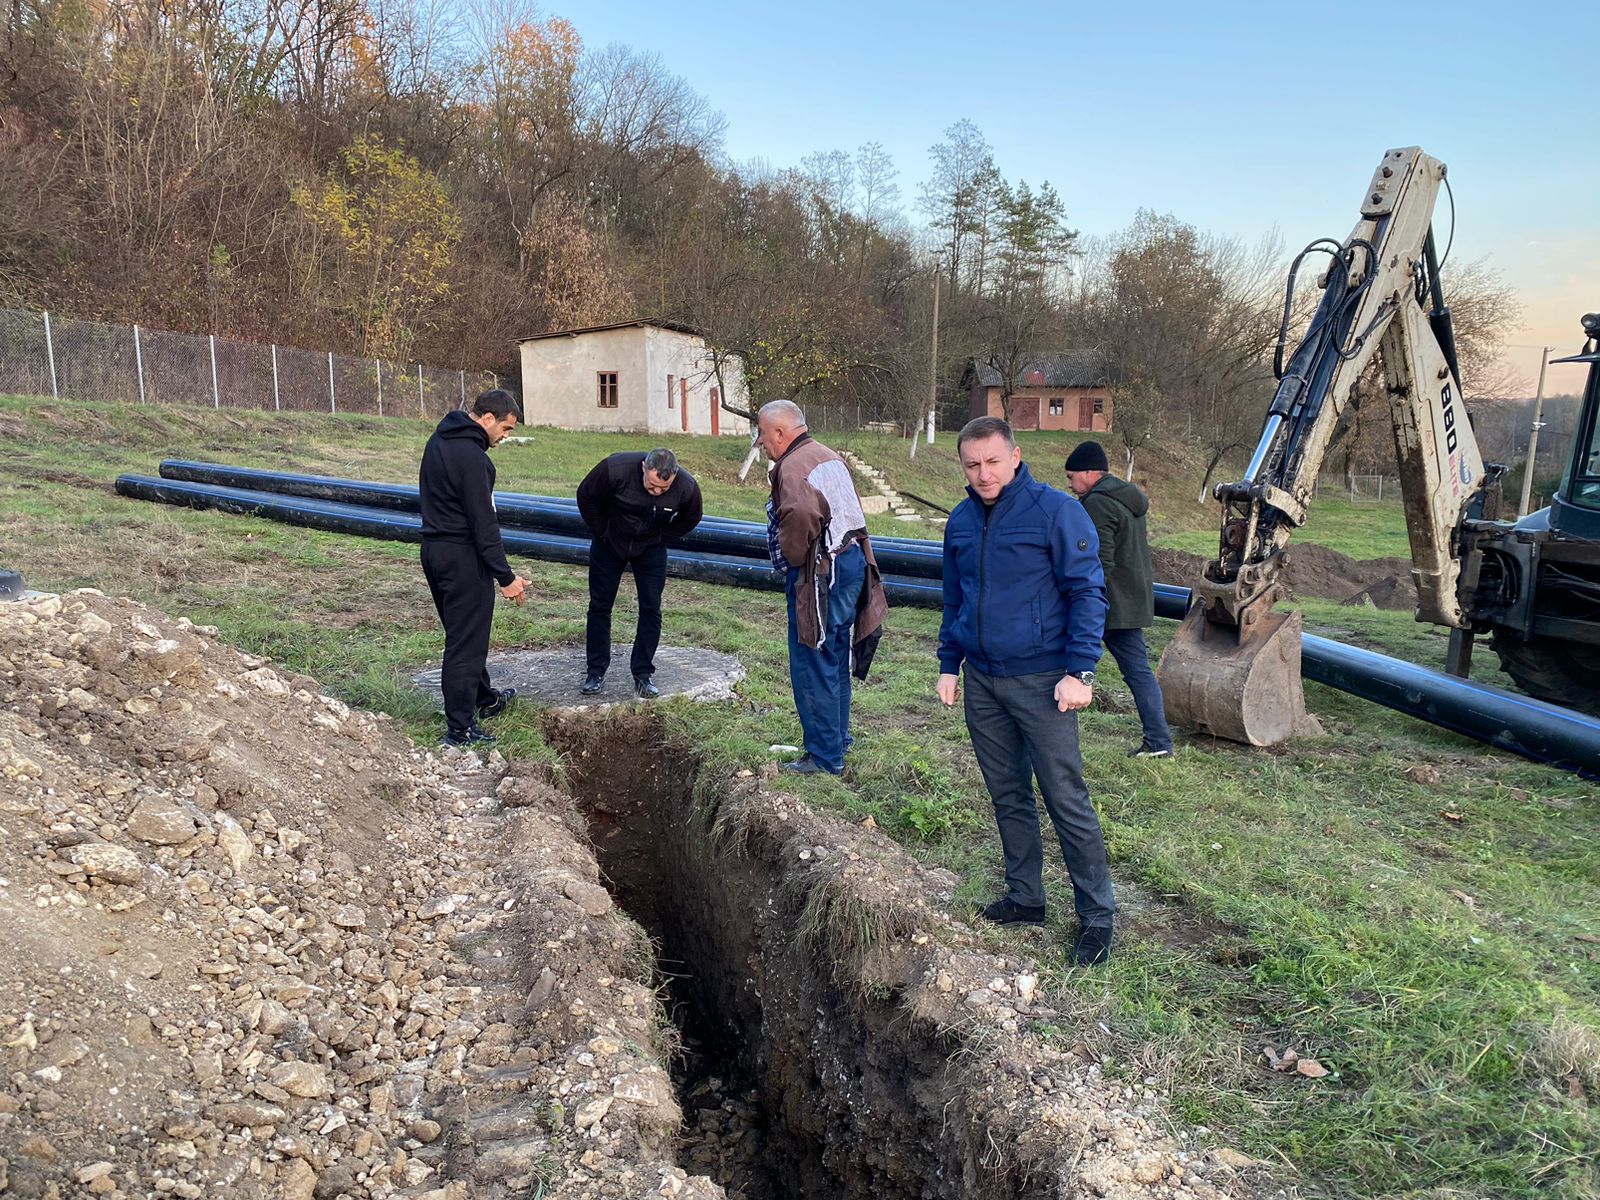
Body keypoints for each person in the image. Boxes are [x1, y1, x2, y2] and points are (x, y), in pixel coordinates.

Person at [936, 416, 1115, 965]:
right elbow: (955, 598)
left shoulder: (1056, 512)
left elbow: (1088, 592)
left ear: (1015, 456)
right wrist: (950, 662)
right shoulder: (962, 521)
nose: (984, 474)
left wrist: (1080, 671)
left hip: (1045, 682)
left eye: (993, 461)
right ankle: (1025, 897)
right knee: (1007, 793)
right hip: (984, 680)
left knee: (1065, 797)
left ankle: (1097, 917)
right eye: (972, 464)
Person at [758, 400, 887, 775]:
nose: (763, 445)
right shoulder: (828, 454)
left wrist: (794, 559)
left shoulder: (792, 467)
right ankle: (838, 739)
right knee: (834, 653)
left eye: (764, 437)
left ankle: (824, 757)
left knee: (812, 659)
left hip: (820, 574)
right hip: (851, 563)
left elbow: (798, 517)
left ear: (780, 433)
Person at [418, 388, 530, 748]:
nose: (505, 436)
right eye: (506, 428)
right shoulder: (475, 460)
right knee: (465, 645)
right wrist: (506, 577)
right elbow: (485, 526)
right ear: (486, 419)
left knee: (465, 633)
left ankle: (485, 699)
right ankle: (460, 727)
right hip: (464, 558)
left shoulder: (439, 440)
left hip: (435, 552)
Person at [1063, 441, 1174, 758]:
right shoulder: (1127, 499)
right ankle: (1160, 742)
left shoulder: (1097, 503)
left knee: (1067, 662)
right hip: (1131, 599)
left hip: (1106, 604)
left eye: (1072, 477)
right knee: (1139, 672)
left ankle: (1049, 735)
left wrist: (1081, 600)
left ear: (1089, 473)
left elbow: (1098, 561)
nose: (1070, 485)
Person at [575, 448, 704, 699]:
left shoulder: (687, 487)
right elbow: (586, 496)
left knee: (651, 608)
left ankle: (643, 673)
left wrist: (660, 537)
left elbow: (692, 517)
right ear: (644, 467)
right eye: (652, 485)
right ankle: (595, 671)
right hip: (609, 543)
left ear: (674, 478)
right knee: (600, 606)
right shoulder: (615, 469)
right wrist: (602, 530)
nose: (656, 492)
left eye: (663, 489)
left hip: (651, 548)